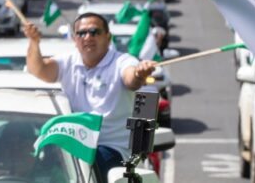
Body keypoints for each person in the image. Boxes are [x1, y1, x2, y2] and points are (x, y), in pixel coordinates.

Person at [24, 14, 156, 181]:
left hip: (110, 149)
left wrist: (139, 72)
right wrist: (34, 43)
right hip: (72, 144)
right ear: (74, 39)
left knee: (90, 169)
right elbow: (39, 70)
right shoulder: (68, 61)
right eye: (82, 33)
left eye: (95, 32)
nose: (88, 37)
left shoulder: (122, 61)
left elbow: (131, 78)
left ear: (108, 37)